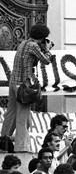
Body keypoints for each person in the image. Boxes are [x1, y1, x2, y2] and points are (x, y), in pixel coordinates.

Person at [0, 24, 53, 152]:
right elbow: (46, 60)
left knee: (10, 114)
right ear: (42, 37)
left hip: (13, 82)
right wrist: (47, 49)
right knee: (22, 119)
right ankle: (21, 148)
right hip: (24, 85)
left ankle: (3, 143)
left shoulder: (23, 43)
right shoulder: (33, 46)